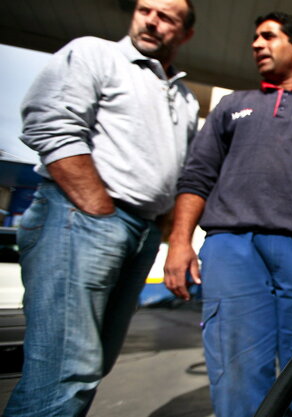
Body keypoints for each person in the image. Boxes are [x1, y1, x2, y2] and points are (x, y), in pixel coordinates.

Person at [163, 11, 292, 417]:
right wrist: (179, 241)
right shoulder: (231, 106)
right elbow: (196, 178)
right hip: (232, 246)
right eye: (255, 38)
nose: (256, 44)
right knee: (236, 365)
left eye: (267, 36)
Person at [3, 1, 198, 415]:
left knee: (93, 365)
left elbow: (178, 173)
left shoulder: (184, 99)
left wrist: (166, 232)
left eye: (167, 17)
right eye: (146, 9)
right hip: (81, 217)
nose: (151, 20)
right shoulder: (95, 54)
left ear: (185, 34)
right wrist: (99, 208)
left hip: (139, 232)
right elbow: (47, 121)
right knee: (65, 369)